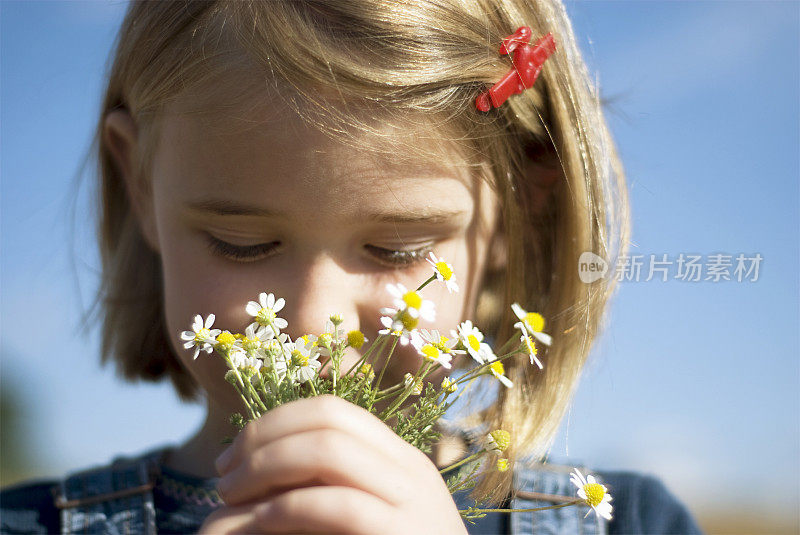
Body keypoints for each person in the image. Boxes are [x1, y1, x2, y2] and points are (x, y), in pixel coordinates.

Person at [1, 1, 704, 533]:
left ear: (519, 210)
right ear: (141, 187)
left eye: (398, 249)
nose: (312, 319)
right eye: (239, 242)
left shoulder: (632, 521)